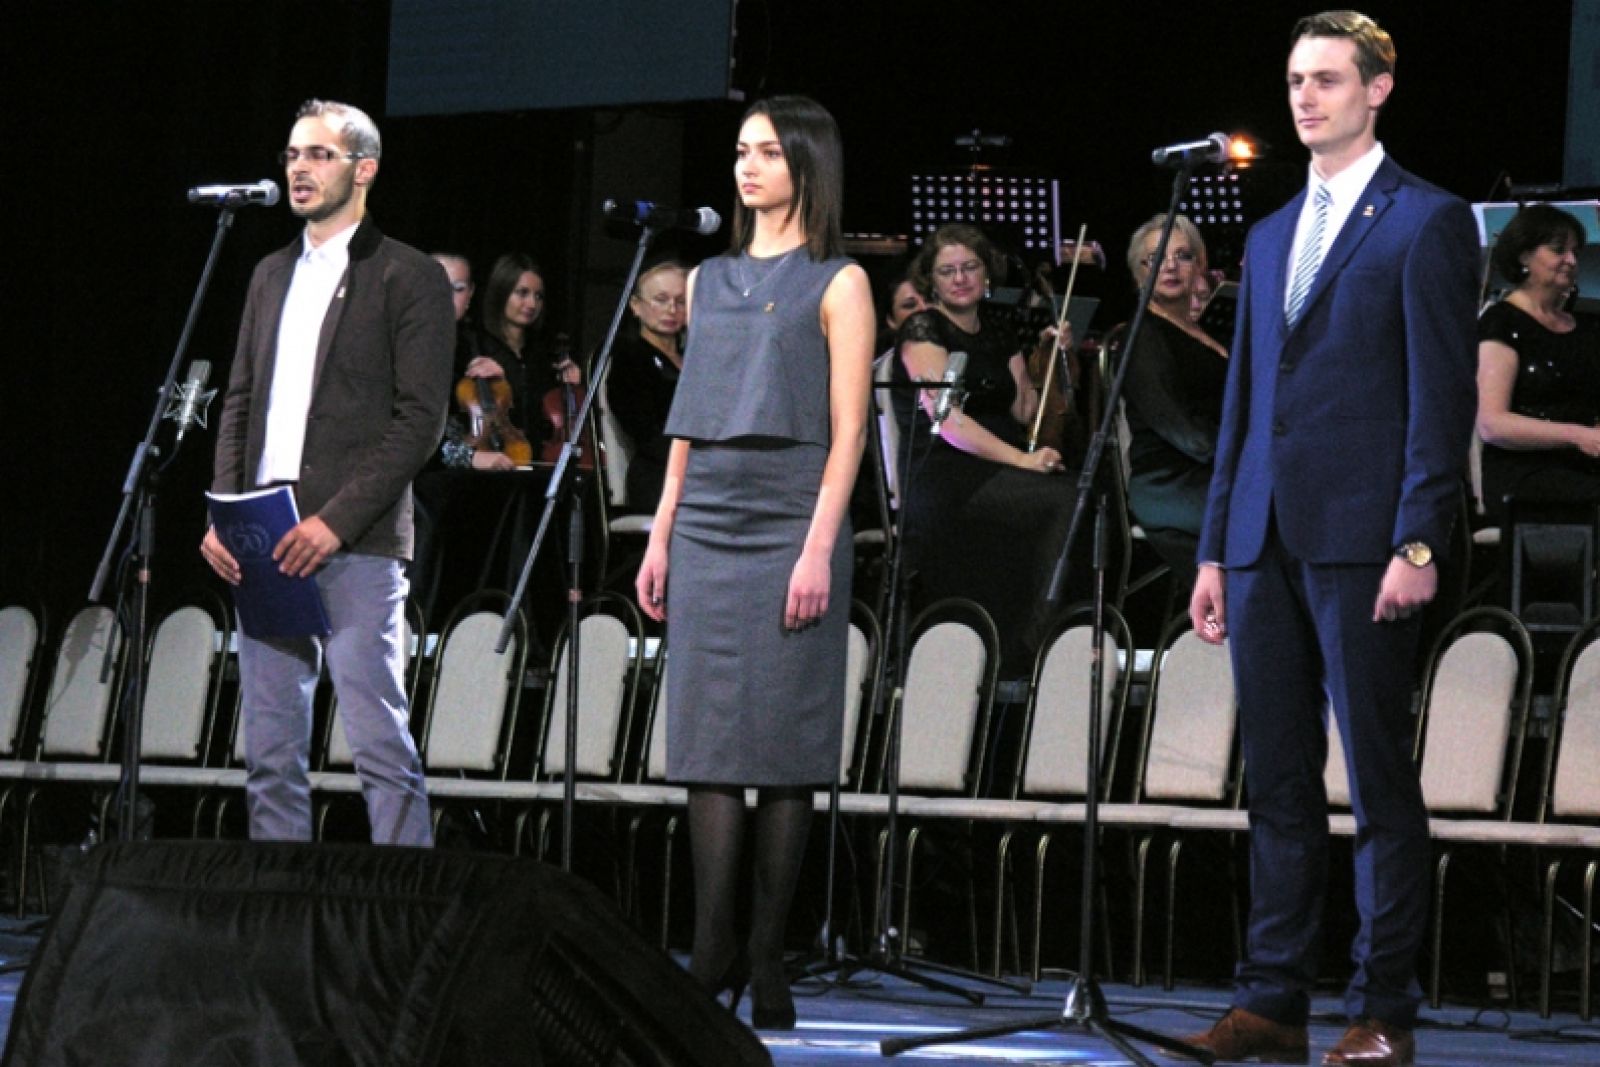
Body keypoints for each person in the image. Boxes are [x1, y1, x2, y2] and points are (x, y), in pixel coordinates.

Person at [1186, 13, 1478, 1067]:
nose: (1305, 97)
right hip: (1262, 534)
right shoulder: (1270, 233)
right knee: (1276, 779)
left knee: (1378, 782)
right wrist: (1214, 546)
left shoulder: (1427, 220)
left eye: (1326, 79)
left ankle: (1382, 1008)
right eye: (1294, 80)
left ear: (1377, 88)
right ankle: (1271, 1000)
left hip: (1366, 536)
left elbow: (1440, 400)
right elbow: (1244, 405)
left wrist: (1418, 541)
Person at [635, 95, 873, 1031]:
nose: (747, 166)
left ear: (807, 162)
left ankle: (769, 951)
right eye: (741, 151)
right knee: (706, 742)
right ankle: (711, 946)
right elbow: (689, 419)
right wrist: (661, 530)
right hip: (709, 518)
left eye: (768, 152)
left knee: (782, 743)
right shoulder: (708, 280)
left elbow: (850, 431)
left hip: (792, 514)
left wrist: (818, 545)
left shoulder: (839, 281)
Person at [201, 99, 453, 846]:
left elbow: (420, 422)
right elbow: (240, 401)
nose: (299, 169)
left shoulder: (407, 274)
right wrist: (225, 513)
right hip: (265, 534)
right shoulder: (269, 273)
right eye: (292, 155)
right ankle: (282, 898)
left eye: (317, 154)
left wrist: (334, 521)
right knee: (270, 751)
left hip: (356, 540)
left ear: (364, 169)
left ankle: (408, 899)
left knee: (377, 741)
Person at [897, 222, 1074, 671]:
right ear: (931, 280)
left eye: (970, 267)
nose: (960, 278)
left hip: (1001, 469)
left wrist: (1050, 356)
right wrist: (1022, 461)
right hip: (947, 473)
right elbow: (949, 422)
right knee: (1066, 500)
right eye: (947, 271)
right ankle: (1037, 642)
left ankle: (1043, 636)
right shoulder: (923, 328)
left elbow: (1024, 410)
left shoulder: (998, 331)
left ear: (986, 273)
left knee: (1082, 493)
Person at [1119, 213, 1229, 594]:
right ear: (1138, 274)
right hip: (1170, 482)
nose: (1169, 266)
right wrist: (1248, 458)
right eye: (1154, 258)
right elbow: (1183, 430)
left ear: (1199, 266)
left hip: (1212, 471)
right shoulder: (1142, 337)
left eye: (1182, 256)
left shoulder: (1202, 331)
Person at [1476, 203, 1600, 521]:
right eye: (1559, 250)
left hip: (1583, 468)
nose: (1572, 260)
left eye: (1575, 251)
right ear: (1524, 256)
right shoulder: (1501, 321)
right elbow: (1491, 424)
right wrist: (1579, 435)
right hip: (1525, 473)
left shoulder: (1585, 328)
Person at [605, 258, 688, 511]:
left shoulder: (697, 359)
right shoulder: (628, 358)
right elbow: (644, 430)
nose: (672, 309)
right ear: (636, 306)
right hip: (659, 474)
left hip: (701, 470)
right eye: (661, 300)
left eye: (680, 301)